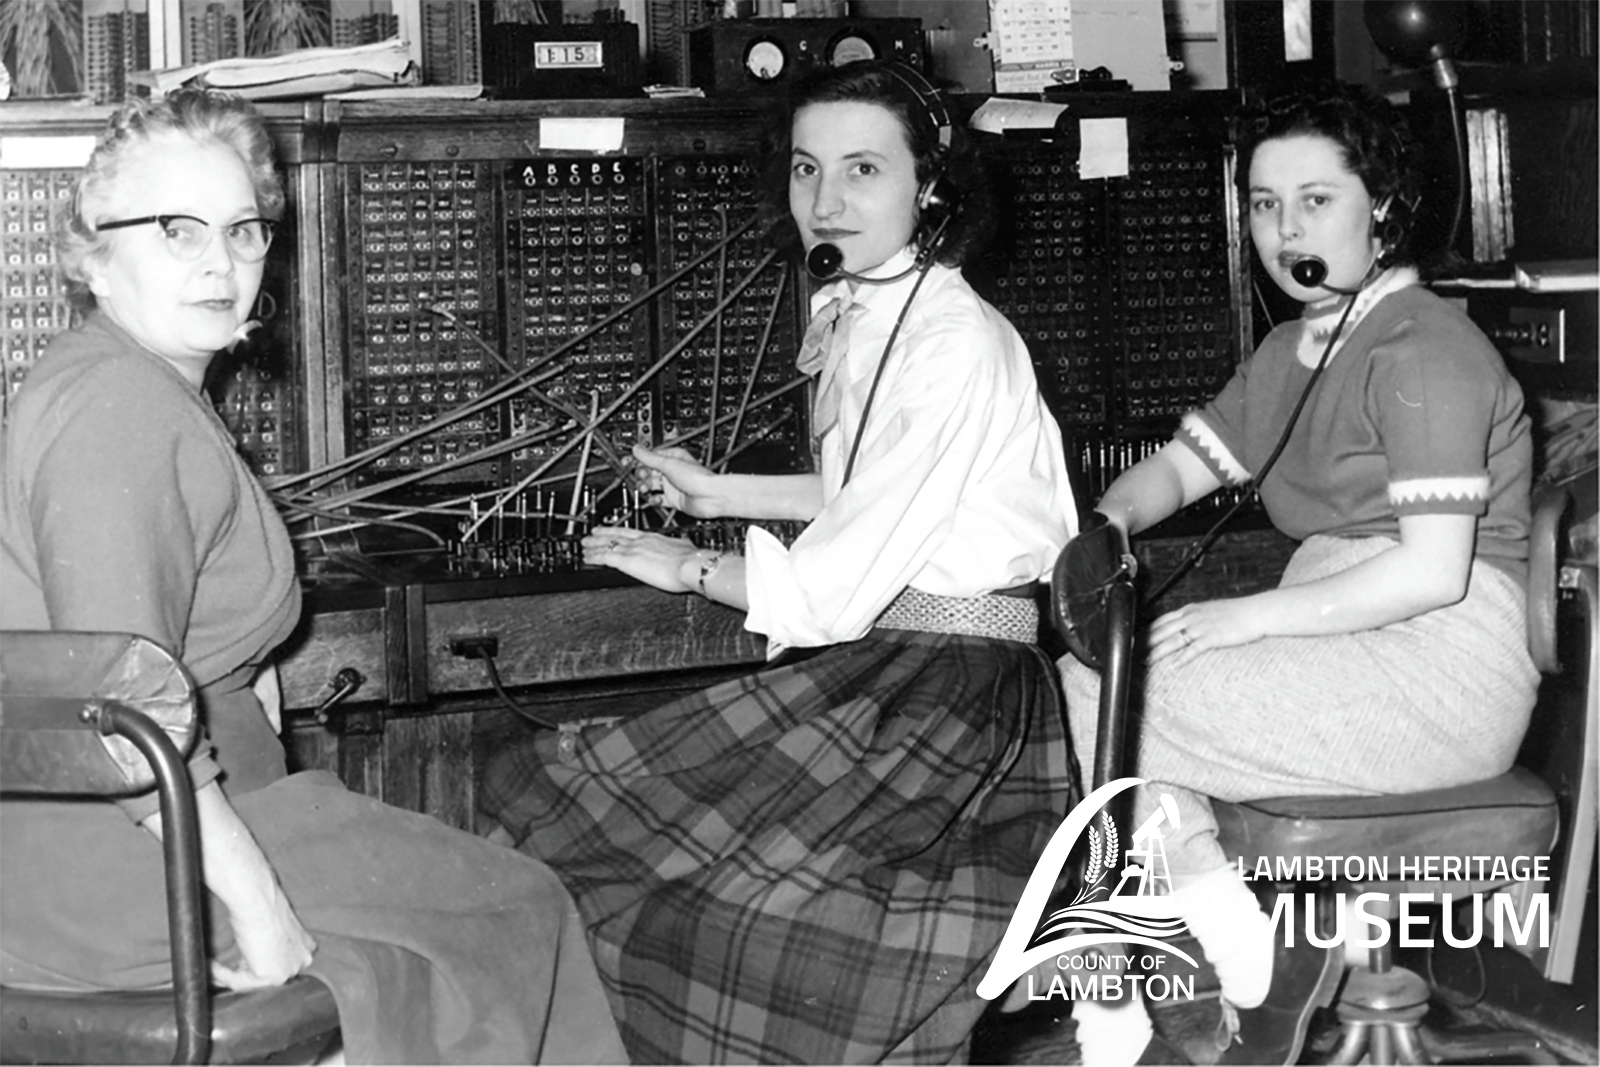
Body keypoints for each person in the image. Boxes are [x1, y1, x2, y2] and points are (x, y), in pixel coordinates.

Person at [0, 88, 627, 1066]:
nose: (220, 262)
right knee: (519, 905)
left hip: (102, 848)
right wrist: (259, 901)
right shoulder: (122, 406)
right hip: (131, 865)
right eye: (176, 229)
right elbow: (116, 702)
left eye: (243, 230)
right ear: (94, 253)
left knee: (450, 914)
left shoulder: (101, 373)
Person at [478, 59, 1081, 1063]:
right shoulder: (867, 309)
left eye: (862, 170)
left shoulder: (952, 342)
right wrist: (716, 493)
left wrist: (689, 566)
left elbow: (831, 588)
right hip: (902, 668)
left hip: (963, 695)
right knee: (556, 800)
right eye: (807, 169)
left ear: (931, 188)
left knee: (719, 914)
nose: (825, 201)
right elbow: (868, 491)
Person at [1057, 80, 1538, 1065]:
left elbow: (1429, 573)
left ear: (1384, 209)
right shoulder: (1292, 348)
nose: (1284, 230)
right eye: (1265, 203)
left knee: (1105, 700)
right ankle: (1209, 918)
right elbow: (1180, 468)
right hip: (1341, 639)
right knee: (1087, 679)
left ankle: (1178, 951)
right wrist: (1107, 522)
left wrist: (1251, 618)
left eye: (1316, 200)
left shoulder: (1425, 348)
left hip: (1441, 663)